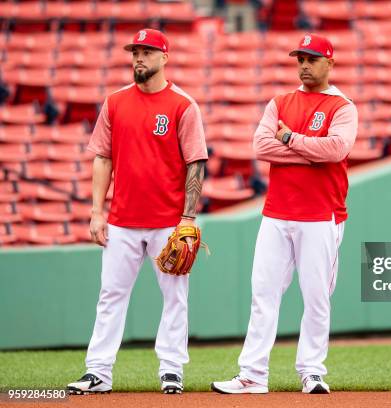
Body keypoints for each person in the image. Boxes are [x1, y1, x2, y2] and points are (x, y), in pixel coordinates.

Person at [211, 33, 358, 395]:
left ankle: (311, 371)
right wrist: (309, 149)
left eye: (312, 58)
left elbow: (336, 149)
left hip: (321, 214)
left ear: (329, 63)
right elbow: (261, 146)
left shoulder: (342, 106)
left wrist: (290, 140)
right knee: (263, 295)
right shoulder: (280, 101)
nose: (304, 65)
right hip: (277, 213)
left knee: (316, 297)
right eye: (300, 59)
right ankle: (252, 375)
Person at [66, 28, 208, 395]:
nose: (139, 58)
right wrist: (97, 212)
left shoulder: (182, 104)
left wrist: (188, 218)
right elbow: (102, 157)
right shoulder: (115, 102)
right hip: (123, 221)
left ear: (164, 57)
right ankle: (98, 371)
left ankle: (172, 369)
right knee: (110, 295)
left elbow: (196, 163)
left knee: (175, 298)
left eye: (147, 52)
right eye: (135, 52)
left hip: (167, 222)